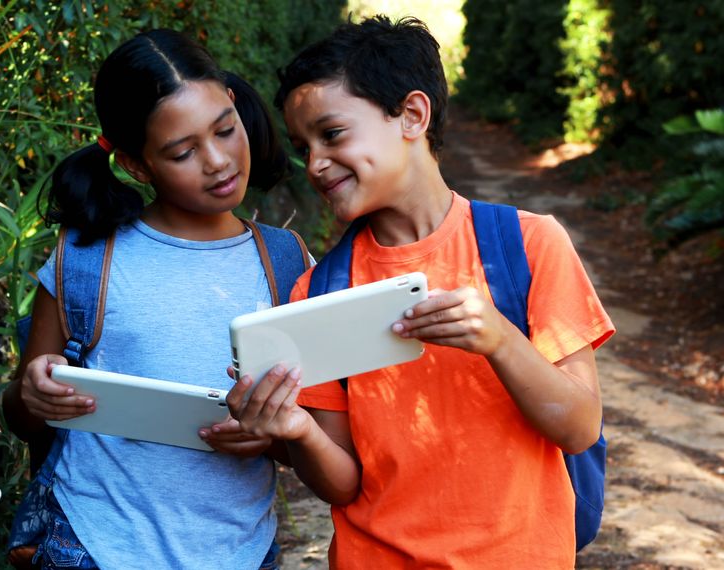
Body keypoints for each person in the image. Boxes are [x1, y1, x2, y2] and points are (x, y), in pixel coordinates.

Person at [226, 16, 616, 568]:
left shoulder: (528, 244)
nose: (314, 163)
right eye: (303, 145)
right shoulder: (318, 291)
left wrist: (501, 341)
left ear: (412, 115)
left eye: (332, 134)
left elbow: (578, 427)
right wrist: (297, 432)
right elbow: (343, 484)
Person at [1, 29, 306, 570]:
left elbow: (316, 432)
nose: (217, 161)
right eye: (183, 151)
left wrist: (269, 436)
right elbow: (25, 415)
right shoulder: (87, 260)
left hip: (241, 550)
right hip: (93, 545)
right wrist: (34, 394)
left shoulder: (285, 262)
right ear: (137, 166)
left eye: (225, 130)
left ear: (235, 104)